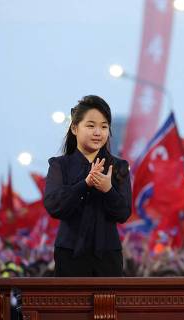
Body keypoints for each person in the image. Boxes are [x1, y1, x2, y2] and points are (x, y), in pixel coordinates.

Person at [44, 95, 131, 277]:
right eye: (91, 126)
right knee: (71, 305)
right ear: (75, 128)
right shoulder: (60, 165)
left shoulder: (119, 166)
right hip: (69, 253)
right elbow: (54, 206)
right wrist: (85, 184)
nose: (98, 132)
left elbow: (123, 213)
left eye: (104, 126)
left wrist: (108, 190)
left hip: (108, 256)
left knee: (107, 305)